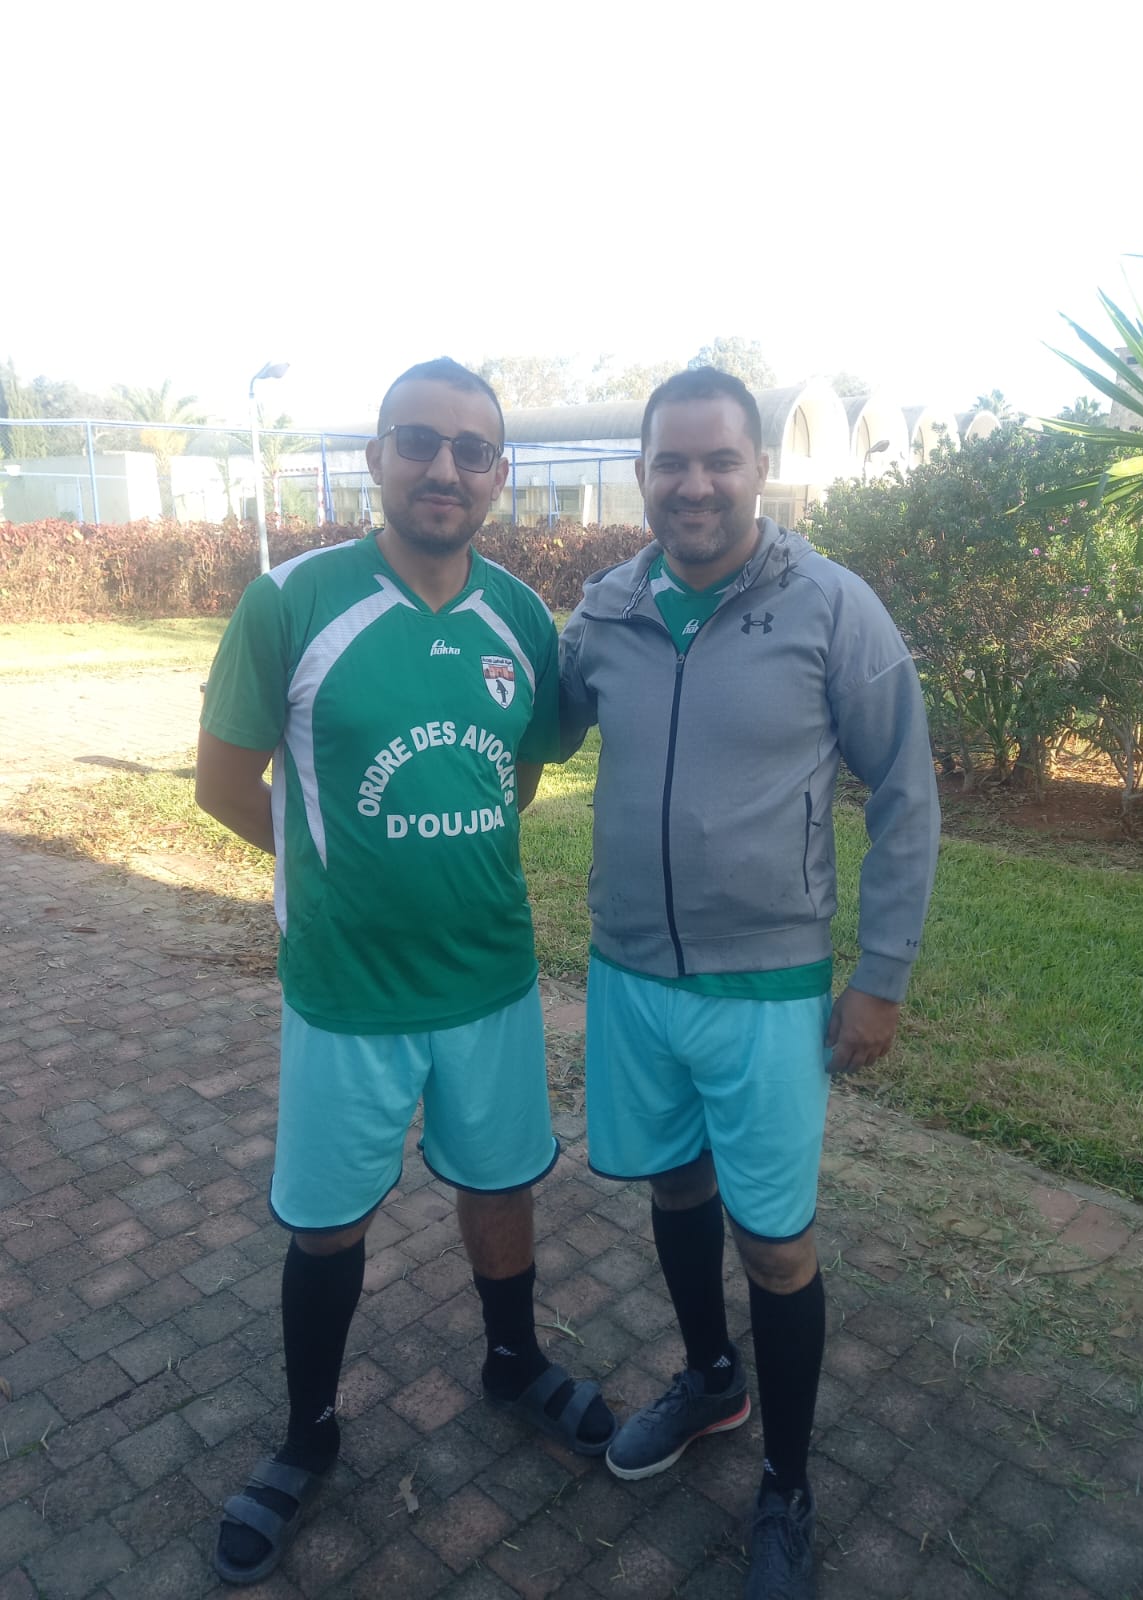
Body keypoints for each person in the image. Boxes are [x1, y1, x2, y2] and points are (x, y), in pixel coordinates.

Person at [197, 357, 615, 1585]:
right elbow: (224, 786)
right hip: (347, 990)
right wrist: (339, 869)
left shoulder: (520, 618)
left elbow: (516, 776)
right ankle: (307, 1436)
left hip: (489, 978)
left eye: (471, 449)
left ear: (499, 473)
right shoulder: (289, 603)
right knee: (329, 1220)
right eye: (419, 441)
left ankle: (513, 1362)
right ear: (377, 456)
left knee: (503, 1179)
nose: (445, 467)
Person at [558, 368, 940, 1599]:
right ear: (642, 475)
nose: (695, 484)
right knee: (674, 1182)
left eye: (719, 459)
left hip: (771, 987)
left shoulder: (831, 606)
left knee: (776, 1242)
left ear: (759, 467)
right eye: (671, 462)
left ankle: (786, 1481)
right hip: (631, 972)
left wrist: (881, 975)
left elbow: (907, 794)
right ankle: (711, 1379)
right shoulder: (606, 612)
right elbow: (534, 725)